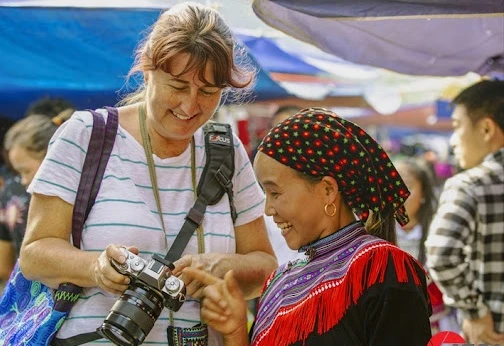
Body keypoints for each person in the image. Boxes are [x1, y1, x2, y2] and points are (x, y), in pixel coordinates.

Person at [19, 3, 277, 345]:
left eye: (209, 92)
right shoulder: (87, 135)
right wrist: (95, 267)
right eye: (178, 86)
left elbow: (264, 268)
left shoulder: (225, 151)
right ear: (147, 70)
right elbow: (34, 255)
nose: (190, 106)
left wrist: (224, 267)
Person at [184, 107, 432, 346]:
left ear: (327, 190)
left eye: (275, 192)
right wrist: (235, 330)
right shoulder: (279, 281)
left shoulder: (381, 266)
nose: (267, 209)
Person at [425, 80, 504, 345]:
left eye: (457, 126)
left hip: (492, 333)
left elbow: (441, 254)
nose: (453, 140)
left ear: (486, 128)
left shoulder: (470, 185)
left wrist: (474, 311)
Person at [0, 112, 72, 286]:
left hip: (27, 298)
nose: (23, 181)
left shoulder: (9, 192)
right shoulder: (79, 193)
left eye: (25, 171)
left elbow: (3, 266)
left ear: (50, 154)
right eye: (19, 173)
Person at [394, 158, 459, 335]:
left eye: (406, 186)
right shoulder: (375, 235)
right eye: (393, 184)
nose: (398, 193)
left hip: (436, 326)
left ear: (423, 194)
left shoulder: (439, 232)